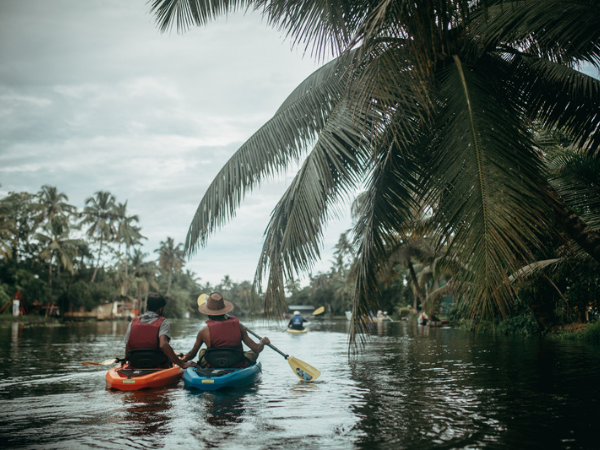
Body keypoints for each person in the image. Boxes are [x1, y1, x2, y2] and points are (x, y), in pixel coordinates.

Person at [182, 292, 270, 368]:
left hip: (213, 364)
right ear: (224, 311)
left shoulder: (203, 332)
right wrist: (262, 342)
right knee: (254, 353)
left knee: (202, 352)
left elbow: (192, 354)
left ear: (208, 313)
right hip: (237, 363)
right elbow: (257, 348)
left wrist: (182, 361)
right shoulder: (239, 326)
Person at [124, 293, 196, 370]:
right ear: (160, 309)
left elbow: (128, 345)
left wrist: (125, 359)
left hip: (135, 363)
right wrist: (182, 364)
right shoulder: (163, 323)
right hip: (156, 363)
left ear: (146, 307)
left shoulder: (132, 323)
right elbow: (163, 345)